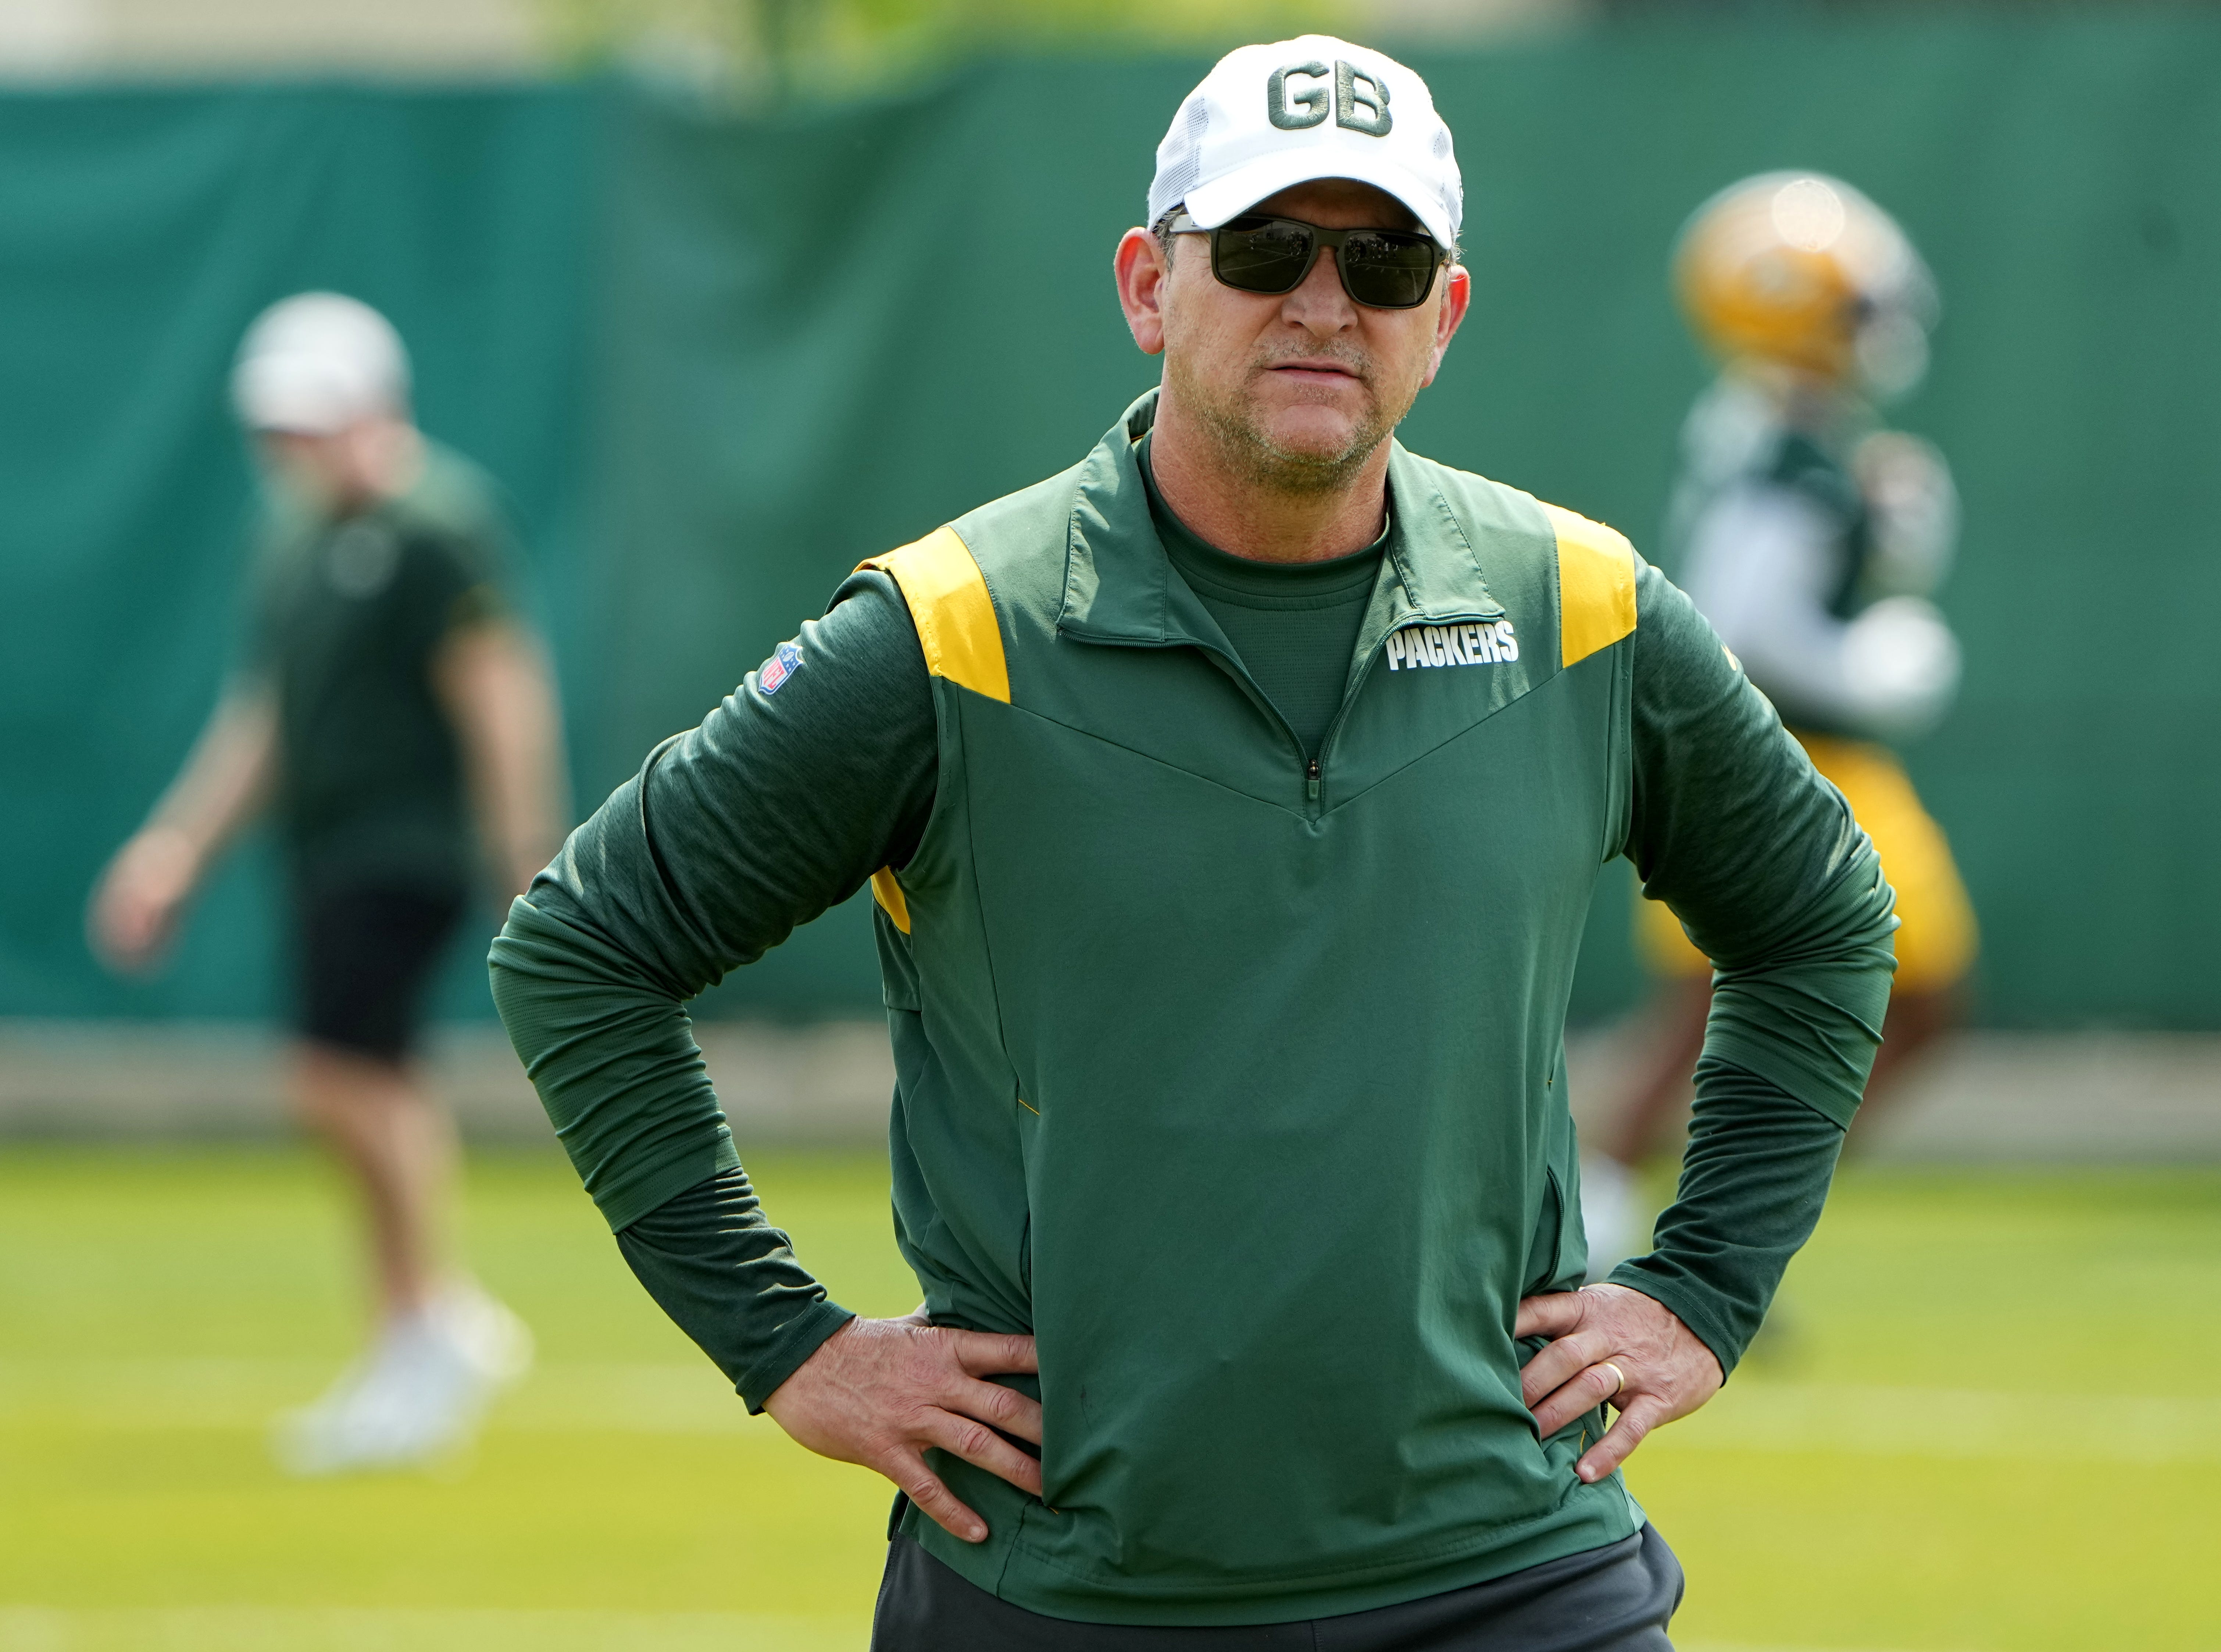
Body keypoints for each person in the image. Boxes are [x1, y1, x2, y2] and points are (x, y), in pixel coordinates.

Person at [492, 40, 1895, 1649]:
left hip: (1515, 1567)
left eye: (1381, 262)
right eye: (1263, 248)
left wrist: (1702, 1289)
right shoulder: (952, 631)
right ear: (1148, 286)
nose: (1322, 303)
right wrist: (785, 1342)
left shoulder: (1580, 610)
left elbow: (1821, 921)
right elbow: (582, 949)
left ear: (1441, 317)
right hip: (1061, 1583)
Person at [89, 292, 567, 1474]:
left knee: (338, 1075)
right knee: (355, 1080)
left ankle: (433, 1316)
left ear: (373, 408)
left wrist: (524, 855)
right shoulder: (290, 545)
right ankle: (416, 1327)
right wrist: (175, 850)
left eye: (310, 421)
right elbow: (264, 718)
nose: (291, 448)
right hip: (322, 851)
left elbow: (500, 691)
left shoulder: (436, 527)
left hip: (409, 851)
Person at [1579, 174, 1978, 1275]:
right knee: (1705, 1011)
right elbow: (1743, 624)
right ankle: (1602, 1229)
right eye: (1854, 308)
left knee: (1917, 999)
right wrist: (1870, 662)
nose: (1877, 328)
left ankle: (1736, 1221)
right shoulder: (1777, 454)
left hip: (1836, 761)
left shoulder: (1793, 435)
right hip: (1778, 754)